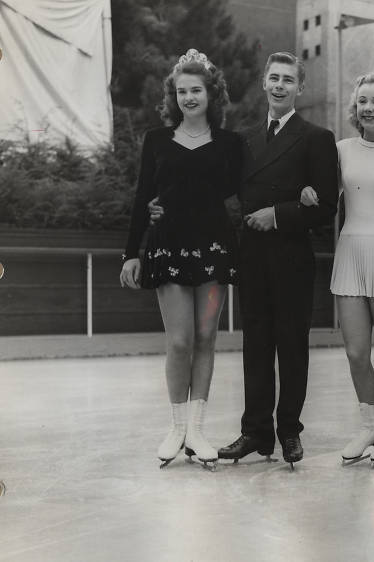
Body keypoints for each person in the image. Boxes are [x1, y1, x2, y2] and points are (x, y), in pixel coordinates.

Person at [120, 49, 245, 470]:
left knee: (207, 338)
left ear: (212, 93)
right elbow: (142, 197)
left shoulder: (231, 144)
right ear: (173, 97)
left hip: (214, 249)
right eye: (181, 91)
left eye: (196, 90)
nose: (189, 97)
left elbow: (246, 192)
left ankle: (197, 429)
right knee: (179, 340)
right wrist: (129, 254)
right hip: (167, 246)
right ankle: (175, 426)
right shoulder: (156, 139)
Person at [217, 52, 338, 469]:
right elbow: (223, 189)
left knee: (291, 345)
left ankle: (288, 430)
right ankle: (255, 432)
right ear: (264, 83)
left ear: (300, 88)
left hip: (291, 255)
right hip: (252, 253)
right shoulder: (245, 138)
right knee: (255, 345)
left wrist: (281, 213)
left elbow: (326, 208)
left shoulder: (316, 137)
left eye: (289, 79)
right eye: (274, 78)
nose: (280, 85)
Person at [300, 73, 374, 466]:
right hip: (349, 253)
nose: (368, 108)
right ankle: (367, 424)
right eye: (362, 102)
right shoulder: (340, 150)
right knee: (355, 351)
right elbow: (320, 192)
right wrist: (306, 192)